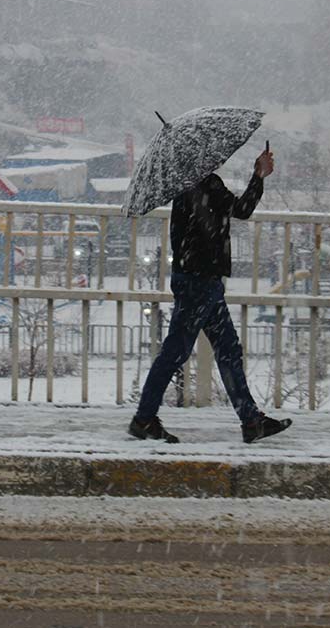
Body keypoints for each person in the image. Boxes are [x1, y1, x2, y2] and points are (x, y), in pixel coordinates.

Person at [129, 145, 292, 444]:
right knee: (176, 352)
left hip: (198, 281)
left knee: (227, 348)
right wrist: (258, 175)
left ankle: (250, 419)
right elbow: (242, 210)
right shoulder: (207, 185)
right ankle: (143, 418)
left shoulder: (186, 187)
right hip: (200, 283)